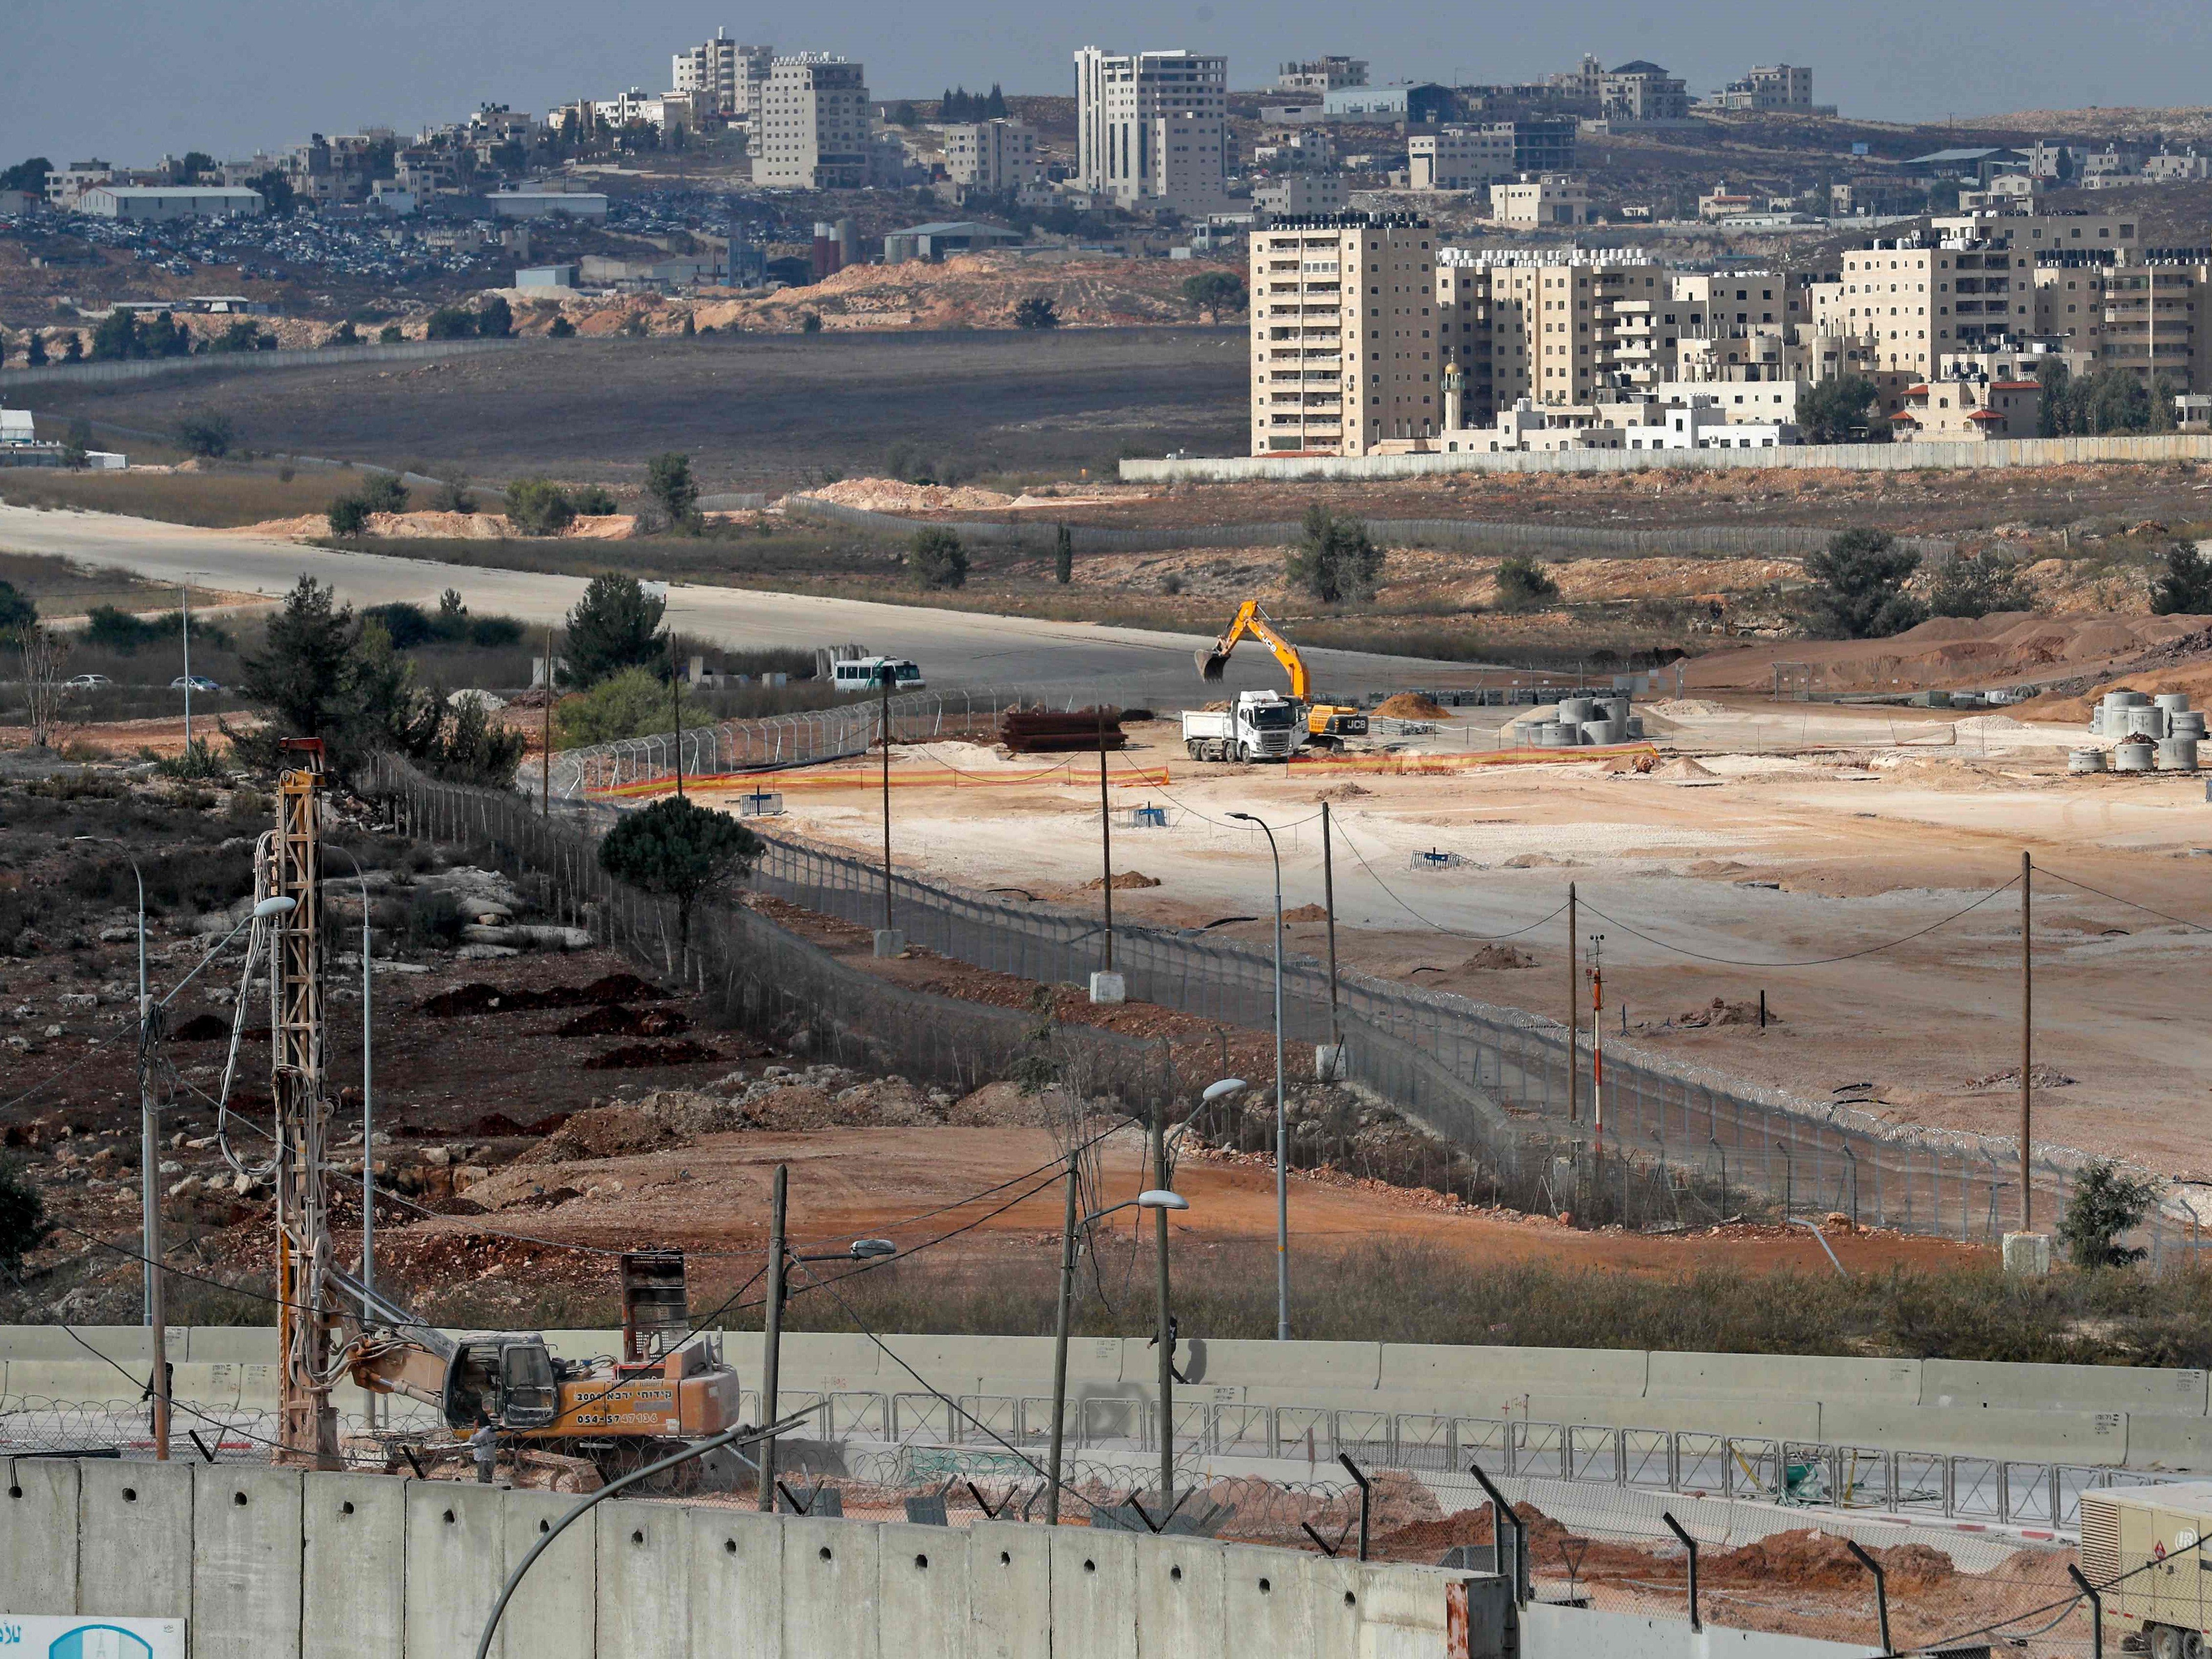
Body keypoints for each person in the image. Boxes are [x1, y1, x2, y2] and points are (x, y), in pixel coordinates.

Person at [469, 1411, 499, 1484]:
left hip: (483, 1459)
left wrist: (475, 1428)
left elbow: (472, 1440)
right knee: (488, 1482)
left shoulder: (485, 1431)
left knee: (483, 1483)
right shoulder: (491, 1430)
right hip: (489, 1458)